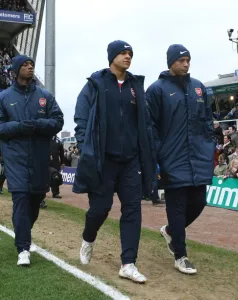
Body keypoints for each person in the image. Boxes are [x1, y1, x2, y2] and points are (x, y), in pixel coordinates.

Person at [73, 40, 155, 283]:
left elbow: (145, 122)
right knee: (100, 208)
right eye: (123, 53)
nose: (128, 56)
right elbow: (81, 117)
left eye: (130, 53)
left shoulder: (135, 86)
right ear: (112, 57)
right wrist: (86, 146)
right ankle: (88, 238)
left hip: (130, 160)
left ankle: (128, 263)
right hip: (103, 160)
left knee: (133, 209)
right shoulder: (96, 84)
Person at [146, 44, 215, 274]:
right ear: (171, 62)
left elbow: (206, 121)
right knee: (176, 207)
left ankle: (169, 231)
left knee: (199, 202)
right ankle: (181, 256)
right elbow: (150, 126)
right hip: (172, 158)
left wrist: (208, 146)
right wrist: (157, 153)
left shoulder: (199, 88)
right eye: (181, 60)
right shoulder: (157, 89)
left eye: (188, 60)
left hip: (197, 157)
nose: (186, 64)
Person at [0, 55, 64, 266]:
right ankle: (23, 249)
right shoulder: (4, 97)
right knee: (21, 198)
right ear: (16, 70)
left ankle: (23, 232)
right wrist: (18, 127)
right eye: (25, 65)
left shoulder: (45, 96)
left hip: (38, 157)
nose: (30, 67)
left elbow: (58, 121)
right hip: (15, 158)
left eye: (32, 65)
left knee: (35, 200)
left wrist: (38, 125)